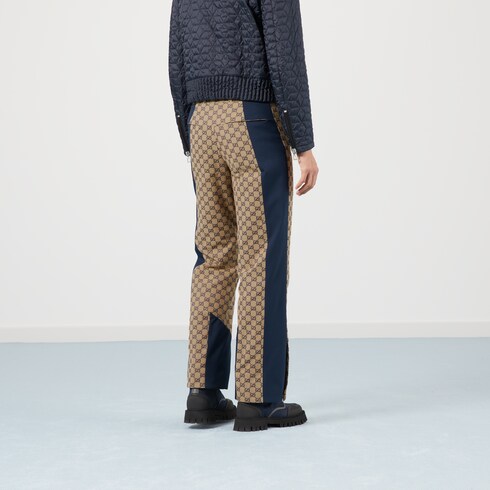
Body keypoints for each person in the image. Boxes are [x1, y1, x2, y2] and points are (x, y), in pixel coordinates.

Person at [168, 0, 318, 432]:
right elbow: (286, 53)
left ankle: (203, 392)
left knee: (213, 256)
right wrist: (304, 143)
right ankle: (259, 398)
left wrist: (189, 128)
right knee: (261, 256)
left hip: (201, 121)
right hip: (251, 120)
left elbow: (176, 54)